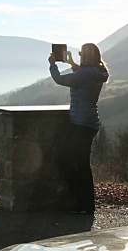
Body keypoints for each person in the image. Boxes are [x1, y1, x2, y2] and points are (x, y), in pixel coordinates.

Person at [48, 42, 109, 214]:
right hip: (90, 122)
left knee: (65, 160)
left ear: (87, 56)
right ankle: (86, 204)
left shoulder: (86, 74)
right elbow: (83, 77)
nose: (79, 55)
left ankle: (83, 203)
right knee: (82, 164)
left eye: (81, 53)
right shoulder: (96, 72)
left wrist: (53, 64)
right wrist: (73, 64)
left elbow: (60, 79)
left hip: (80, 122)